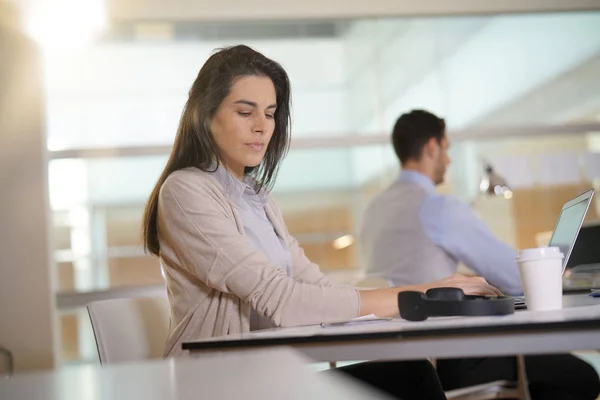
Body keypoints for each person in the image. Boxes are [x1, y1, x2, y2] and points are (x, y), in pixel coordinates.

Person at [141, 45, 503, 400]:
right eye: (244, 112)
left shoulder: (258, 199)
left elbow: (318, 288)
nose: (261, 127)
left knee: (410, 372)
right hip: (220, 388)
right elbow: (283, 301)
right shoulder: (185, 191)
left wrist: (419, 299)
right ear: (205, 115)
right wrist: (423, 294)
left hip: (271, 381)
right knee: (411, 378)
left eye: (269, 114)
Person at [359, 109, 600, 400]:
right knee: (580, 376)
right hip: (450, 357)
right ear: (432, 147)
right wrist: (550, 272)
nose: (448, 160)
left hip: (394, 362)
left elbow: (407, 274)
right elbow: (514, 275)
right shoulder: (437, 207)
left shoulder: (373, 210)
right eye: (446, 150)